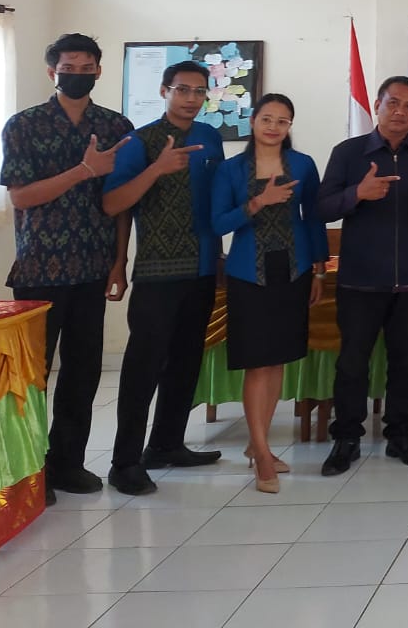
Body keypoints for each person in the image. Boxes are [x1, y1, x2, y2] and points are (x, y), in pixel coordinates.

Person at [0, 33, 134, 500]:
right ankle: (28, 470)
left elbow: (121, 204)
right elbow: (21, 196)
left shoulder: (116, 126)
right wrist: (84, 170)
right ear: (51, 71)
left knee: (82, 372)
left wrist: (119, 262)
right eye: (68, 67)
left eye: (86, 67)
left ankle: (67, 464)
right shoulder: (24, 125)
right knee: (33, 375)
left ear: (99, 71)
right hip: (40, 268)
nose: (77, 74)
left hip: (94, 266)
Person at [102, 61, 226, 496]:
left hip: (203, 269)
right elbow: (114, 205)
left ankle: (167, 444)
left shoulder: (211, 138)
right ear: (164, 91)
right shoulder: (139, 142)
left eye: (199, 91)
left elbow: (215, 202)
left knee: (186, 361)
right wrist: (156, 168)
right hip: (157, 273)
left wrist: (220, 256)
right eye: (182, 89)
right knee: (143, 367)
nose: (191, 98)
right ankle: (124, 463)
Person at [316, 76, 408, 477]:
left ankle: (401, 434)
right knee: (353, 362)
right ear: (377, 105)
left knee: (406, 361)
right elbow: (321, 208)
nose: (400, 112)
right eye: (393, 103)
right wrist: (357, 194)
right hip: (360, 278)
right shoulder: (349, 152)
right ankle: (347, 437)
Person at [210, 94, 326, 495]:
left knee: (277, 361)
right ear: (253, 121)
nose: (274, 127)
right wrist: (258, 202)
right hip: (248, 272)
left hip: (293, 270)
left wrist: (319, 269)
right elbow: (217, 223)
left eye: (283, 120)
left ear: (290, 126)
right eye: (267, 119)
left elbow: (314, 218)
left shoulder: (303, 165)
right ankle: (261, 453)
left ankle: (258, 442)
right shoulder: (230, 170)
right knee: (257, 363)